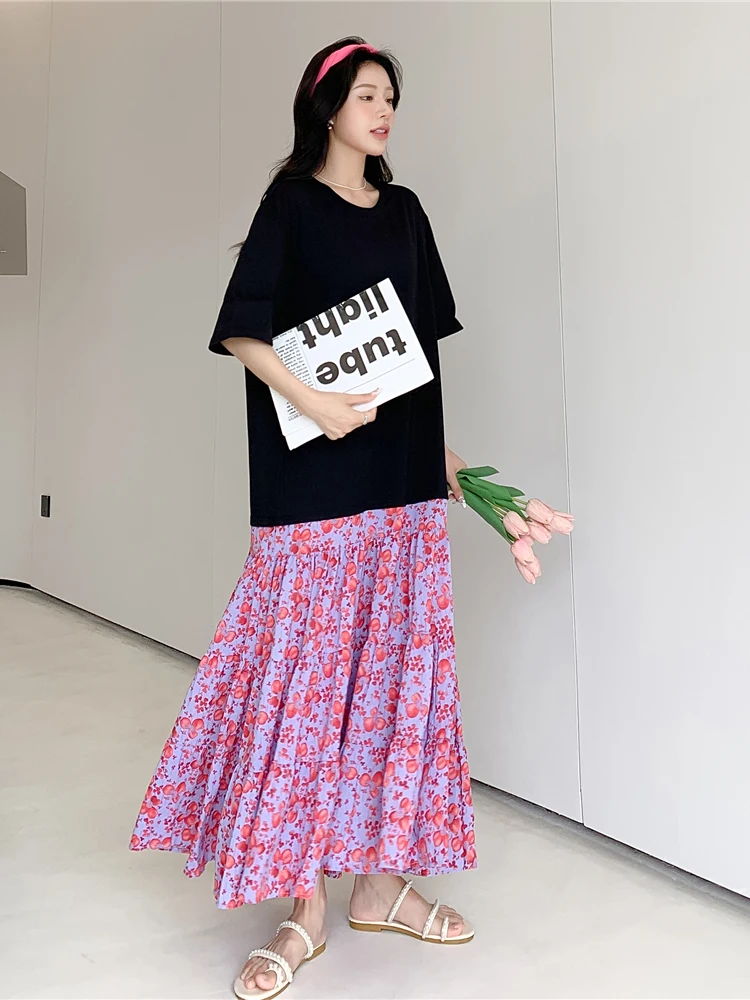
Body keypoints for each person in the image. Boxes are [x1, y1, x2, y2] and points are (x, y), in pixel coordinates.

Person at [130, 36, 477, 1000]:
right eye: (366, 95)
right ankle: (304, 908)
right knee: (307, 696)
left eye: (391, 96)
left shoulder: (405, 213)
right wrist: (314, 402)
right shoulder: (289, 205)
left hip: (401, 487)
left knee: (395, 687)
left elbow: (416, 356)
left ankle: (377, 884)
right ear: (327, 108)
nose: (384, 110)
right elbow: (242, 327)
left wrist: (444, 459)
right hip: (314, 486)